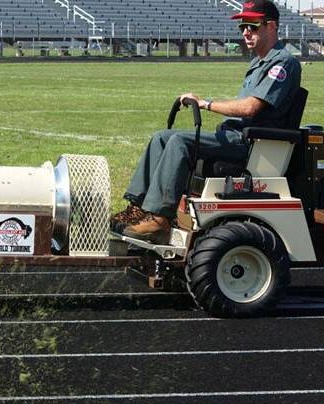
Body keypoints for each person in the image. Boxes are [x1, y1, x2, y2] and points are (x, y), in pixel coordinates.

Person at [112, 0, 301, 244]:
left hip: (253, 143)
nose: (246, 32)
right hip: (237, 135)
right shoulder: (258, 62)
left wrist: (205, 104)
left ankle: (160, 219)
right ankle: (138, 209)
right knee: (162, 137)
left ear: (272, 26)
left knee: (179, 141)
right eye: (243, 26)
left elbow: (250, 107)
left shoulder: (283, 63)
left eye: (253, 25)